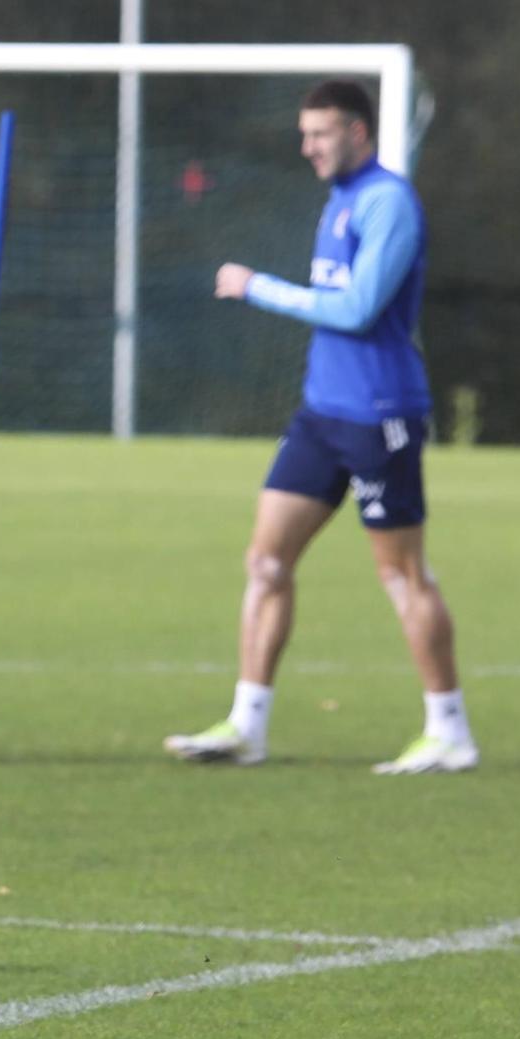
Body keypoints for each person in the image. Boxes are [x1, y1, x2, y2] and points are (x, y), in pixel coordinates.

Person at [165, 79, 478, 775]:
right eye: (304, 134)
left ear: (358, 132)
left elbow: (358, 310)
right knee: (266, 561)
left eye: (320, 133)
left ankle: (449, 728)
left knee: (402, 576)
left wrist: (257, 287)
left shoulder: (387, 203)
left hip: (379, 417)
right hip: (322, 414)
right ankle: (247, 725)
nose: (307, 146)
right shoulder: (339, 200)